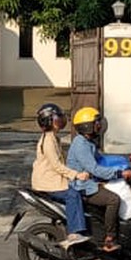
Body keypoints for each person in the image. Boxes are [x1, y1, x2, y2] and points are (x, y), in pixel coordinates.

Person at [68, 106, 131, 253]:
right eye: (96, 123)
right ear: (87, 126)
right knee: (113, 200)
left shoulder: (88, 142)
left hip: (91, 182)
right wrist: (119, 174)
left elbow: (102, 159)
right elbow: (95, 169)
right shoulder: (80, 145)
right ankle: (110, 239)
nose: (99, 126)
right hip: (83, 186)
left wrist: (123, 162)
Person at [30, 103, 92, 248]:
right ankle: (74, 233)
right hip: (48, 183)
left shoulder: (53, 138)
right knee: (73, 194)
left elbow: (62, 162)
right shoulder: (48, 141)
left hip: (53, 180)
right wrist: (76, 175)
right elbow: (57, 165)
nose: (62, 119)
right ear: (49, 120)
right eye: (58, 116)